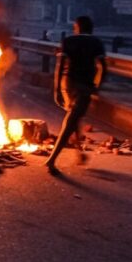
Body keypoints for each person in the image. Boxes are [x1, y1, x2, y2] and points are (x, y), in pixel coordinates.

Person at [45, 15, 107, 175]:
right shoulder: (96, 42)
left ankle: (79, 153)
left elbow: (59, 66)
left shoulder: (68, 40)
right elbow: (103, 67)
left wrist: (57, 89)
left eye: (74, 26)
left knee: (74, 117)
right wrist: (97, 85)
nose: (74, 28)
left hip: (67, 84)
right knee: (71, 120)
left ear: (78, 26)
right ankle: (52, 160)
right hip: (84, 86)